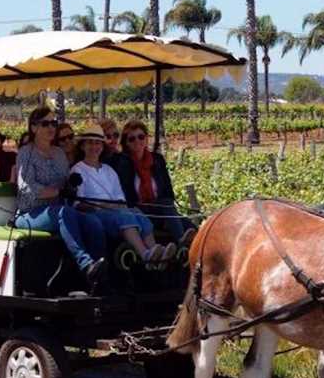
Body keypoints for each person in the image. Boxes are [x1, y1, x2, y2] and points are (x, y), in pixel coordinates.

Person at [15, 107, 106, 289]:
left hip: (58, 210)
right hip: (29, 214)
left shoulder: (59, 153)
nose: (51, 127)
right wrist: (57, 191)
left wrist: (72, 184)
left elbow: (66, 184)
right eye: (45, 124)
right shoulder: (25, 153)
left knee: (93, 222)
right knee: (63, 213)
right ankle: (85, 263)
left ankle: (99, 274)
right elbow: (27, 189)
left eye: (53, 123)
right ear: (33, 128)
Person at [71, 124, 175, 263]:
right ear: (83, 146)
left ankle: (155, 250)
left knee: (136, 212)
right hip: (95, 214)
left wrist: (118, 206)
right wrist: (102, 206)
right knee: (123, 216)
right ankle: (144, 254)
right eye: (90, 143)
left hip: (115, 209)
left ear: (102, 147)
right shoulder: (77, 170)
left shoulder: (109, 170)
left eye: (97, 143)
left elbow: (119, 198)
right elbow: (78, 203)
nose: (94, 147)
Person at [112, 119, 196, 246]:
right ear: (126, 143)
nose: (137, 141)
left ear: (146, 139)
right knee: (171, 213)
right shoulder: (123, 163)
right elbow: (126, 195)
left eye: (141, 137)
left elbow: (168, 191)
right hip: (138, 210)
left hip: (162, 209)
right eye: (132, 139)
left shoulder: (157, 160)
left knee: (190, 226)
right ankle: (180, 243)